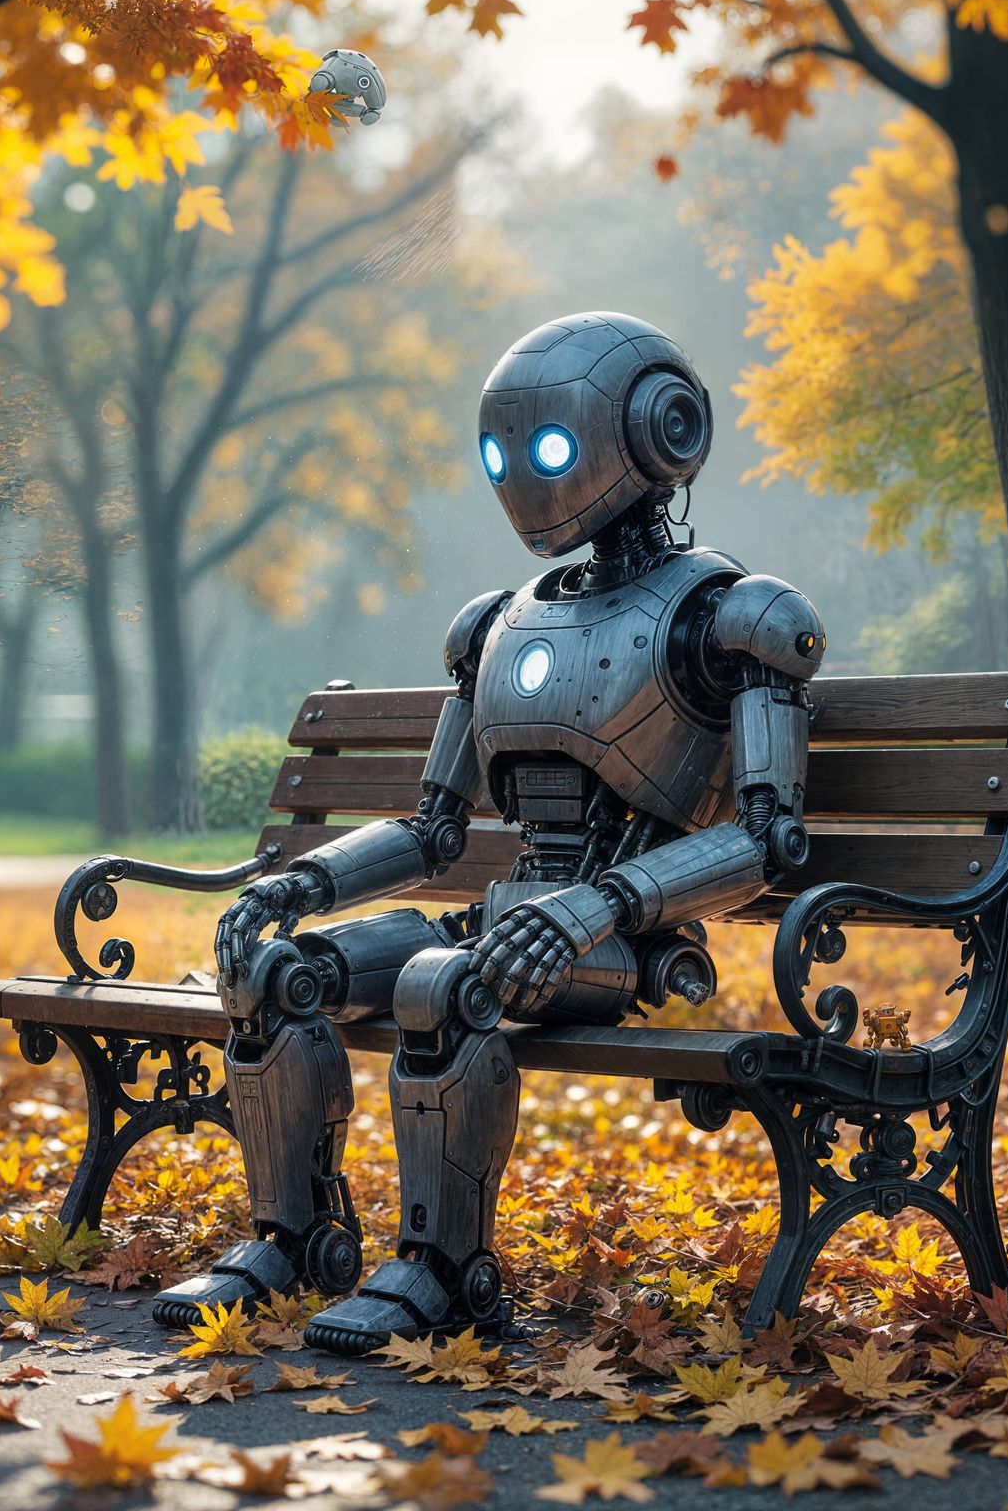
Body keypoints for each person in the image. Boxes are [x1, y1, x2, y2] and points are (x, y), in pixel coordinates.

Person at [151, 312, 825, 1354]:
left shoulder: (728, 617)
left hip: (626, 942)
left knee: (434, 983)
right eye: (504, 455)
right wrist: (303, 887)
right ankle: (293, 1236)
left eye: (549, 448)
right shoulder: (496, 624)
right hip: (508, 920)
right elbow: (433, 826)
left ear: (658, 429)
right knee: (277, 973)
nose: (528, 478)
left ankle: (443, 1267)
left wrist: (602, 901)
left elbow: (769, 841)